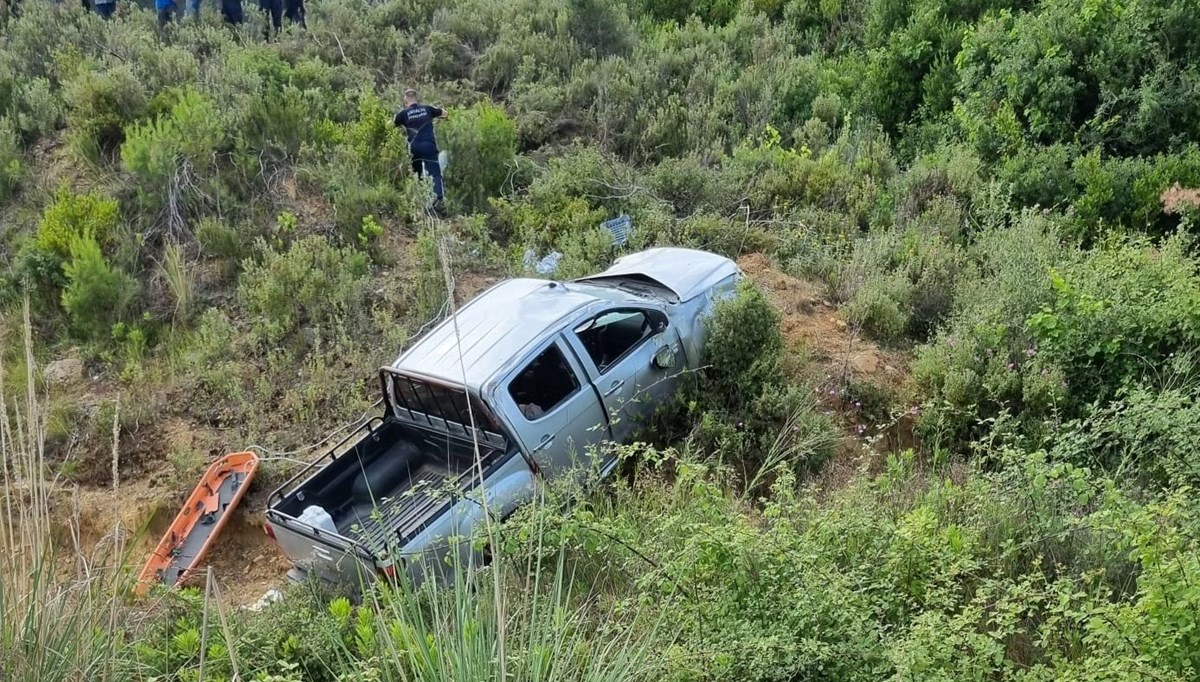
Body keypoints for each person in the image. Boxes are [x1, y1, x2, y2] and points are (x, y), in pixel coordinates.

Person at [394, 89, 447, 213]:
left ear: (405, 100)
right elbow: (445, 113)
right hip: (429, 147)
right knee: (436, 174)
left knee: (417, 176)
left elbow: (391, 124)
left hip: (414, 149)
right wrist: (439, 114)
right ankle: (438, 201)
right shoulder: (427, 108)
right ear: (417, 98)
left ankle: (420, 203)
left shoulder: (403, 113)